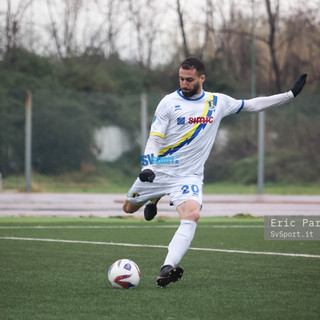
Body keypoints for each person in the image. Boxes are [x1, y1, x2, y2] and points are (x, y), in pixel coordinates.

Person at [122, 57, 307, 287]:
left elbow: (252, 105)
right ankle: (154, 197)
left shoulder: (217, 102)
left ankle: (166, 268)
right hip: (158, 171)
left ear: (202, 78)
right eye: (181, 79)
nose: (184, 84)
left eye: (189, 80)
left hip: (189, 176)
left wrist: (289, 95)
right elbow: (155, 138)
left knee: (192, 215)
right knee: (128, 208)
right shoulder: (168, 103)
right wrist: (147, 167)